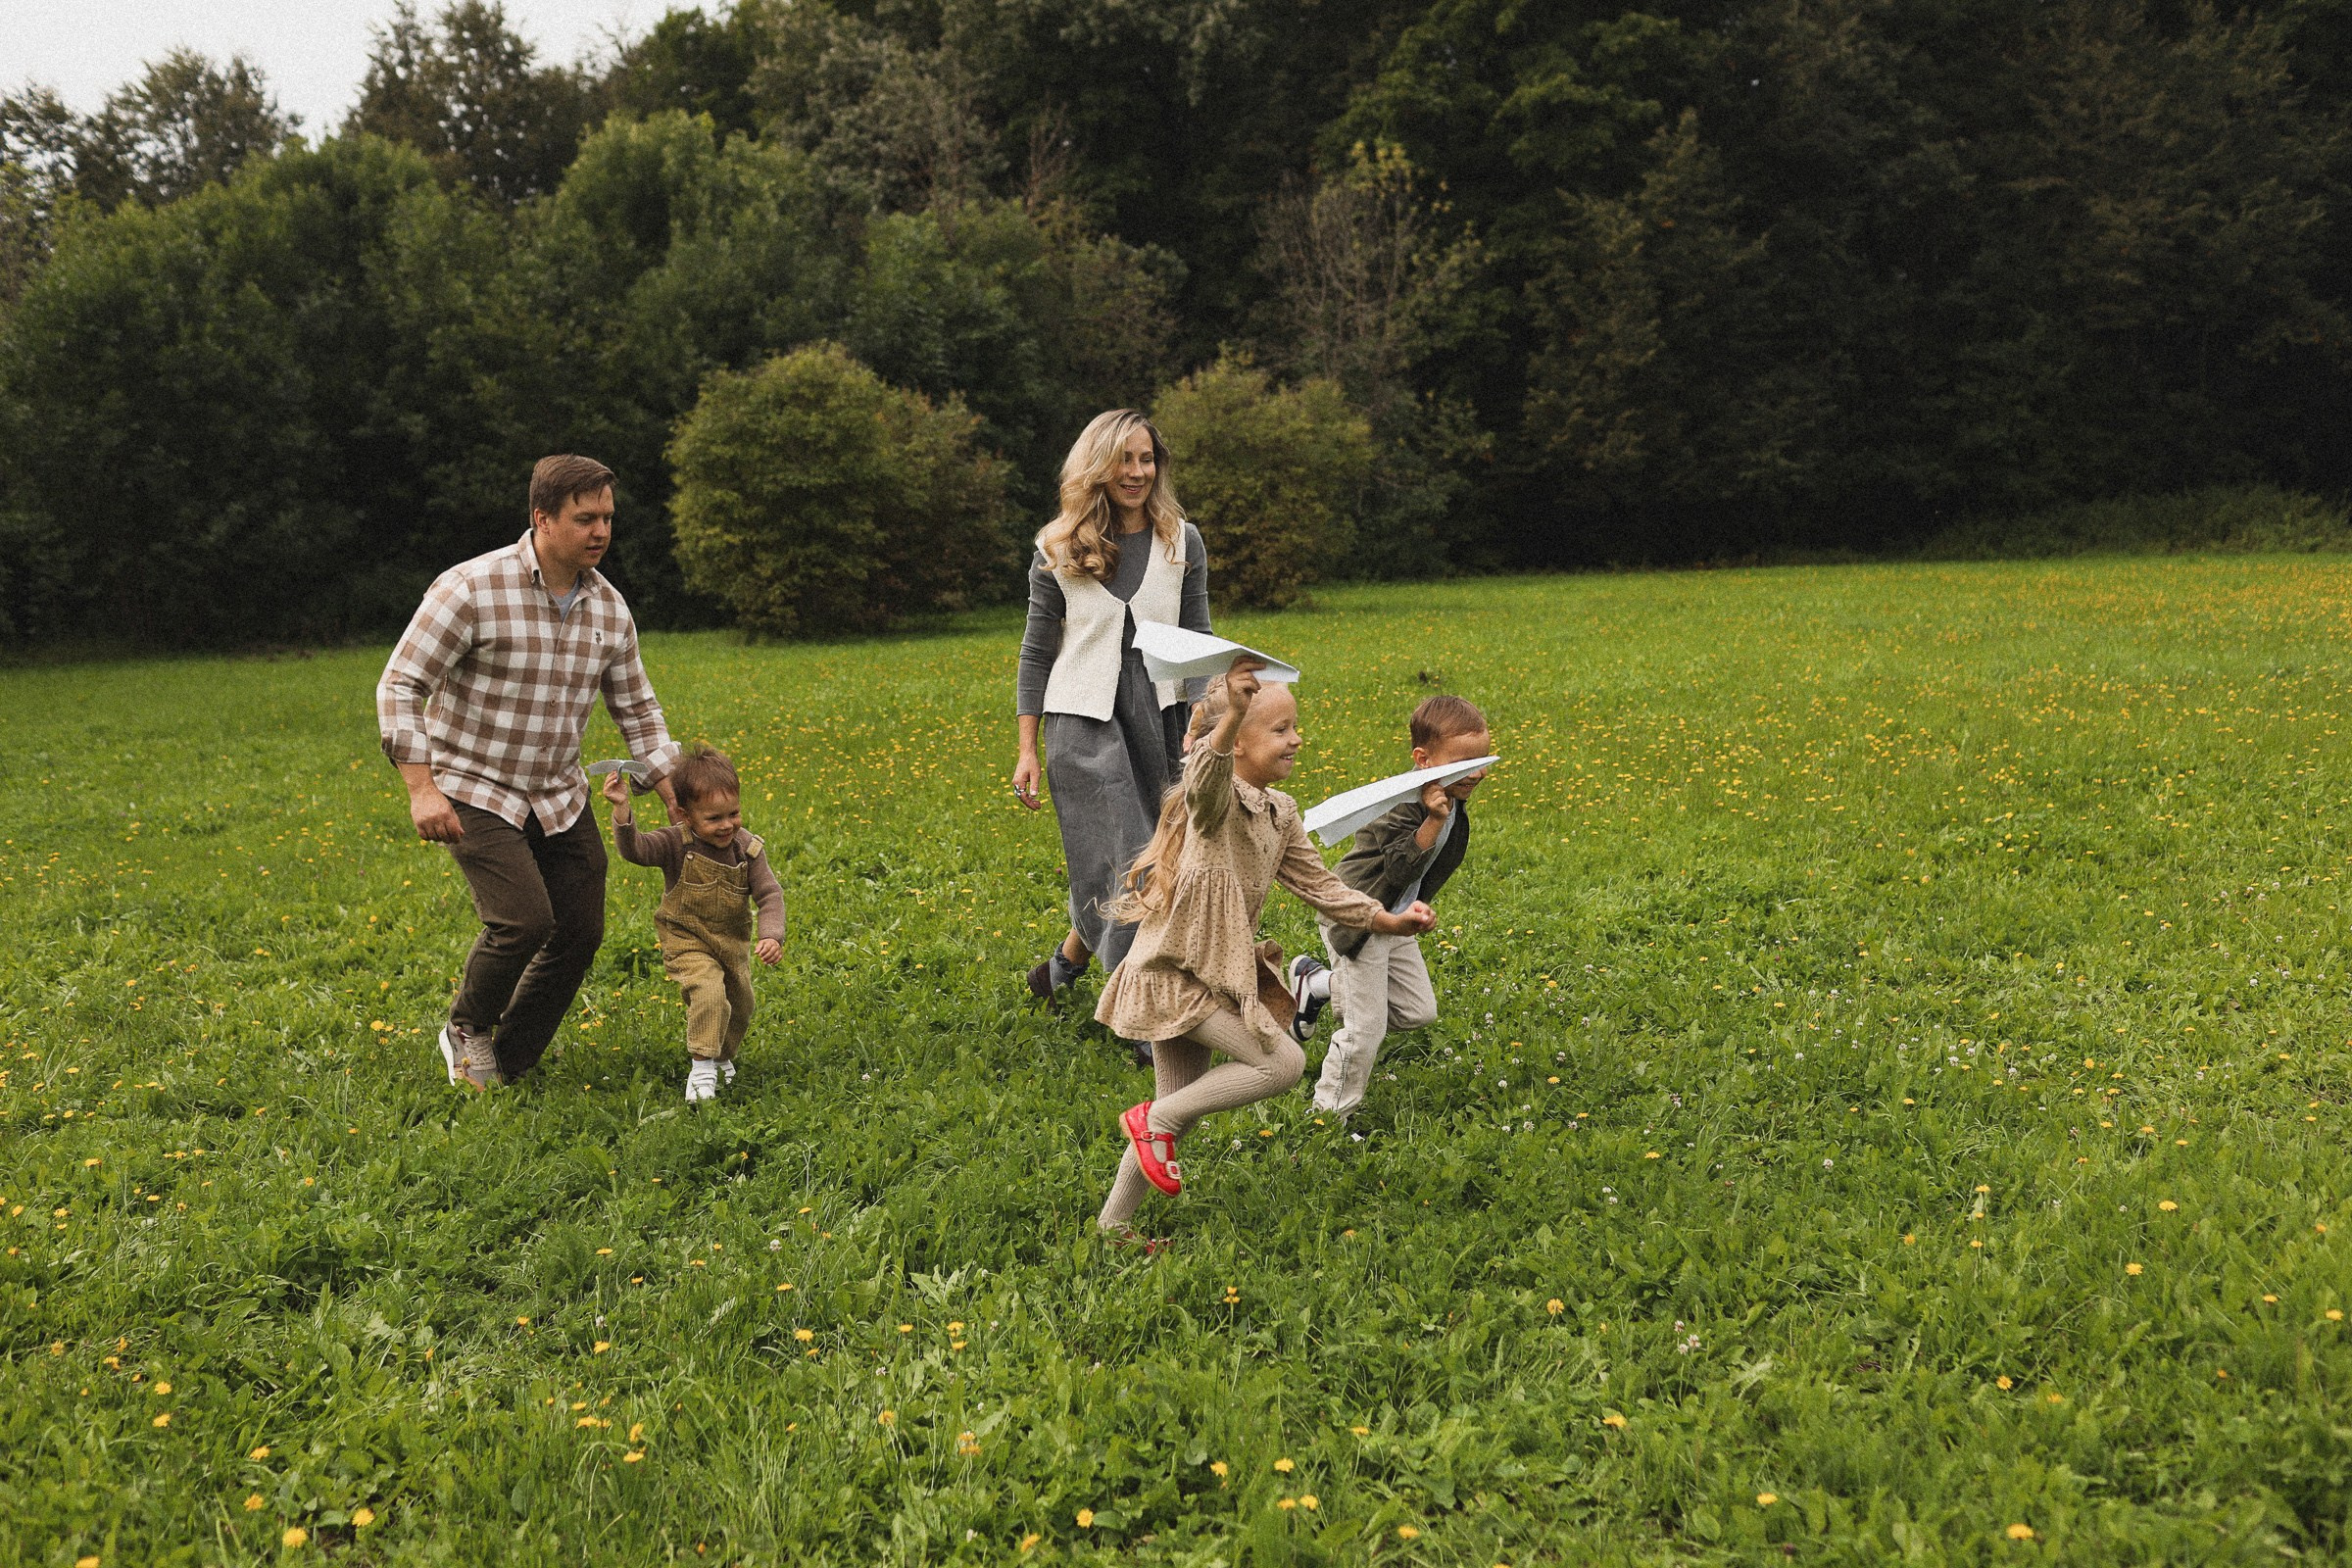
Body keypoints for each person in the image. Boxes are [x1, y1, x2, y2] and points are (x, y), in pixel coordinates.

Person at [1092, 662, 1435, 1245]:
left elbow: (1320, 885)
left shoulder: (1281, 812)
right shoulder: (1215, 802)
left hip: (1213, 974)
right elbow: (1205, 775)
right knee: (1281, 1065)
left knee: (1177, 1109)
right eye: (1280, 730)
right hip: (1176, 969)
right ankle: (1153, 1128)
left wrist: (1387, 919)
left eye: (1295, 727)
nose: (1296, 739)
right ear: (1239, 739)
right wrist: (1227, 719)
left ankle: (1112, 1226)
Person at [376, 455, 682, 1089]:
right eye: (584, 518)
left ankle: (508, 1061)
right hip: (472, 785)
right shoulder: (471, 589)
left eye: (607, 518)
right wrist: (420, 789)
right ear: (541, 518)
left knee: (581, 930)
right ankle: (467, 1027)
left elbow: (637, 706)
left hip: (557, 794)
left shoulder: (609, 609)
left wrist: (676, 800)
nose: (600, 531)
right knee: (523, 919)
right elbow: (401, 684)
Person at [1012, 410, 1212, 1034]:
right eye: (1124, 459)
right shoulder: (1058, 547)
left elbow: (1199, 633)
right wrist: (1026, 749)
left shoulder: (1183, 540)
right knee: (1131, 860)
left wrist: (1205, 714)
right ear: (1096, 466)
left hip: (1163, 715)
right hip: (1082, 721)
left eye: (1146, 459)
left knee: (1157, 855)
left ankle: (1062, 966)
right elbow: (1037, 651)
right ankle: (1142, 1018)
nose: (1137, 472)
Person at [1289, 696, 1493, 1121]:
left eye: (1484, 759)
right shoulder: (1402, 804)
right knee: (1365, 1030)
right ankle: (1327, 1114)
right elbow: (1399, 868)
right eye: (1465, 763)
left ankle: (1317, 985)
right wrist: (1432, 822)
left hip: (1396, 917)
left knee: (1418, 1011)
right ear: (1423, 759)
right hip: (1356, 912)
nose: (1478, 772)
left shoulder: (1448, 794)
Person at [605, 746, 783, 1102]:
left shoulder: (747, 850)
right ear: (685, 816)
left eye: (733, 813)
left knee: (741, 1002)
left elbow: (770, 895)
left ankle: (723, 1056)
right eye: (714, 818)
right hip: (685, 938)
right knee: (709, 992)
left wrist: (772, 934)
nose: (727, 825)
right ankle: (702, 1068)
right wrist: (623, 811)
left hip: (730, 942)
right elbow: (635, 851)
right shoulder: (675, 842)